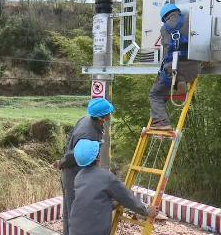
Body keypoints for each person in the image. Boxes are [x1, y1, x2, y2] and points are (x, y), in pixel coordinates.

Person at [69, 139, 159, 235]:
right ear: (98, 157)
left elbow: (92, 204)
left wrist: (114, 203)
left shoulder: (78, 177)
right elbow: (126, 197)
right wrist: (146, 211)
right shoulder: (107, 177)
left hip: (75, 229)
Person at [52, 97, 114, 235]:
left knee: (70, 208)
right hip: (73, 173)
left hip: (73, 171)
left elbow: (69, 139)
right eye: (108, 112)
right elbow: (74, 154)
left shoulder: (86, 120)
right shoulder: (89, 134)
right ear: (102, 117)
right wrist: (61, 162)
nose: (110, 114)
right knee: (74, 210)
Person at [148, 3, 201, 130]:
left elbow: (166, 51)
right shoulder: (191, 19)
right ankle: (181, 82)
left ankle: (162, 121)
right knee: (177, 75)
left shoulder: (164, 29)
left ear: (165, 17)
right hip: (194, 68)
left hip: (174, 69)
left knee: (155, 94)